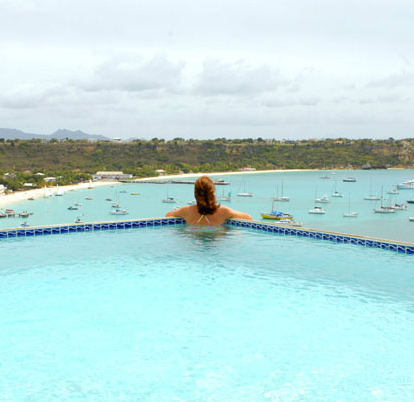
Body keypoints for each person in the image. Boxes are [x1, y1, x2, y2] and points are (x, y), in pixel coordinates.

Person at [165, 175, 253, 225]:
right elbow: (249, 218)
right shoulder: (223, 212)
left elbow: (167, 216)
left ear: (195, 194)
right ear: (213, 192)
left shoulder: (186, 211)